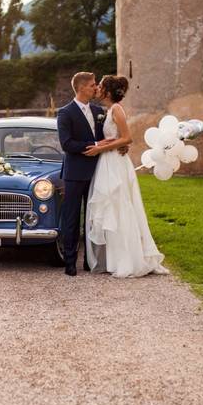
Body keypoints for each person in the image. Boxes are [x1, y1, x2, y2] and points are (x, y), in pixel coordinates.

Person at [83, 75, 169, 278]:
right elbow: (116, 138)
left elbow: (127, 137)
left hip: (115, 163)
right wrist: (102, 144)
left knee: (120, 205)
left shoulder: (117, 109)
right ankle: (115, 258)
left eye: (100, 86)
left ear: (108, 91)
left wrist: (103, 148)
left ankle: (128, 259)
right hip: (108, 161)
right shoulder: (109, 110)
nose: (97, 89)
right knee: (112, 207)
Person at [56, 72, 123, 276]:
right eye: (93, 85)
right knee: (72, 218)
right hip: (75, 173)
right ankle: (70, 262)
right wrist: (93, 144)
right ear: (82, 87)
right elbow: (66, 144)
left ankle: (89, 261)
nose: (96, 88)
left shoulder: (98, 110)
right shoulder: (65, 113)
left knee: (93, 218)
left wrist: (121, 145)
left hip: (98, 171)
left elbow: (108, 137)